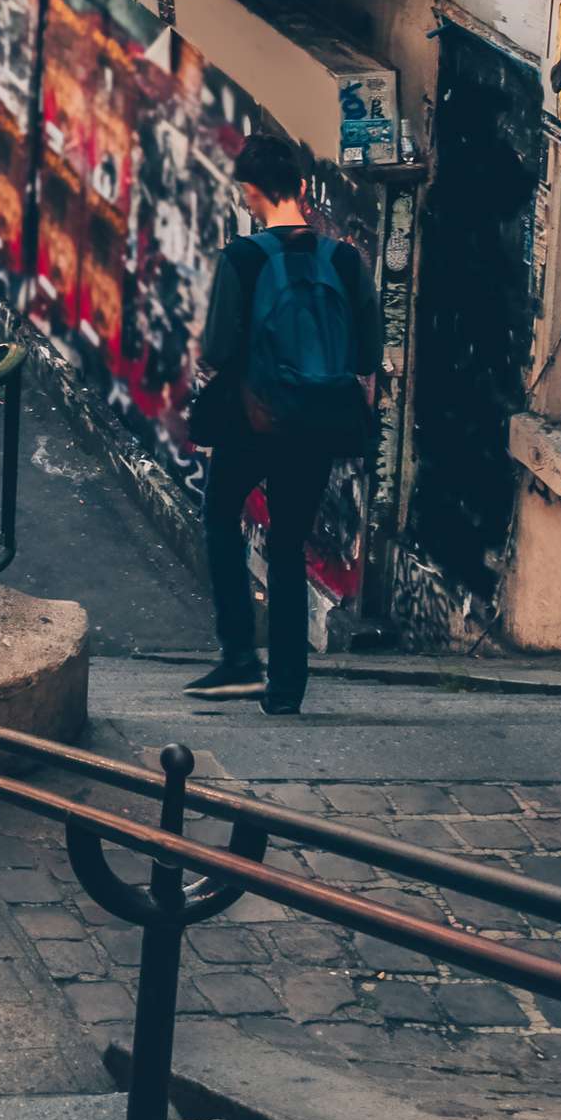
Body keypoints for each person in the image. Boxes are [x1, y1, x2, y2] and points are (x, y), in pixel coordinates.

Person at [183, 129, 385, 717]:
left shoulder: (244, 258)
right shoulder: (344, 259)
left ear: (251, 193)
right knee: (290, 544)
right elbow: (369, 349)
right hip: (317, 422)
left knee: (220, 514)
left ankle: (240, 653)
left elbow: (218, 346)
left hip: (256, 420)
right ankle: (287, 687)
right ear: (301, 187)